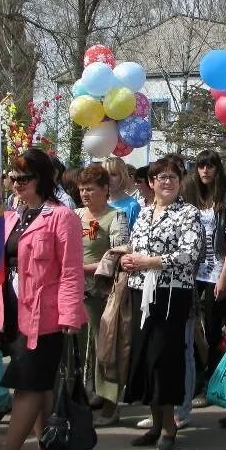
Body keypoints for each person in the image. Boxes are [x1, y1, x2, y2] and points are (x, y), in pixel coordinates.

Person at [0, 148, 85, 450]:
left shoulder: (62, 217)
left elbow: (71, 270)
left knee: (26, 385)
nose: (16, 184)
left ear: (42, 179)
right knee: (38, 384)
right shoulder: (11, 217)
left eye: (24, 178)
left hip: (46, 317)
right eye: (13, 177)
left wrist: (70, 315)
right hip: (12, 311)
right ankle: (45, 445)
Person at [122, 155, 204, 450]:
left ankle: (170, 426)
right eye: (161, 177)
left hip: (171, 294)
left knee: (164, 359)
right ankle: (156, 423)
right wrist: (128, 258)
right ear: (151, 182)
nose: (167, 182)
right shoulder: (144, 213)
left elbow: (189, 254)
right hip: (140, 291)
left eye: (172, 177)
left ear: (180, 181)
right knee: (145, 357)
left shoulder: (188, 213)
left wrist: (150, 262)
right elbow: (136, 246)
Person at [76, 164, 130, 426]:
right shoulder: (75, 215)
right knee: (79, 348)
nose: (85, 194)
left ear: (105, 190)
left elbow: (119, 255)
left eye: (90, 189)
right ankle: (88, 394)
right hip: (75, 292)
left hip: (102, 292)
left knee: (105, 347)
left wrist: (84, 268)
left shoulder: (115, 217)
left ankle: (111, 404)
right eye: (82, 189)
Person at [182, 149, 226, 383]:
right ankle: (195, 373)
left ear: (217, 168)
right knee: (191, 325)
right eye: (201, 166)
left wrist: (224, 276)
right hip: (194, 269)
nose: (205, 170)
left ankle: (212, 378)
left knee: (214, 327)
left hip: (216, 268)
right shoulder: (191, 195)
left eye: (210, 166)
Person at [104, 156, 141, 229]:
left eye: (113, 174)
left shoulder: (133, 206)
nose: (109, 179)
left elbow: (132, 234)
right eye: (105, 175)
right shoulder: (99, 204)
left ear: (122, 176)